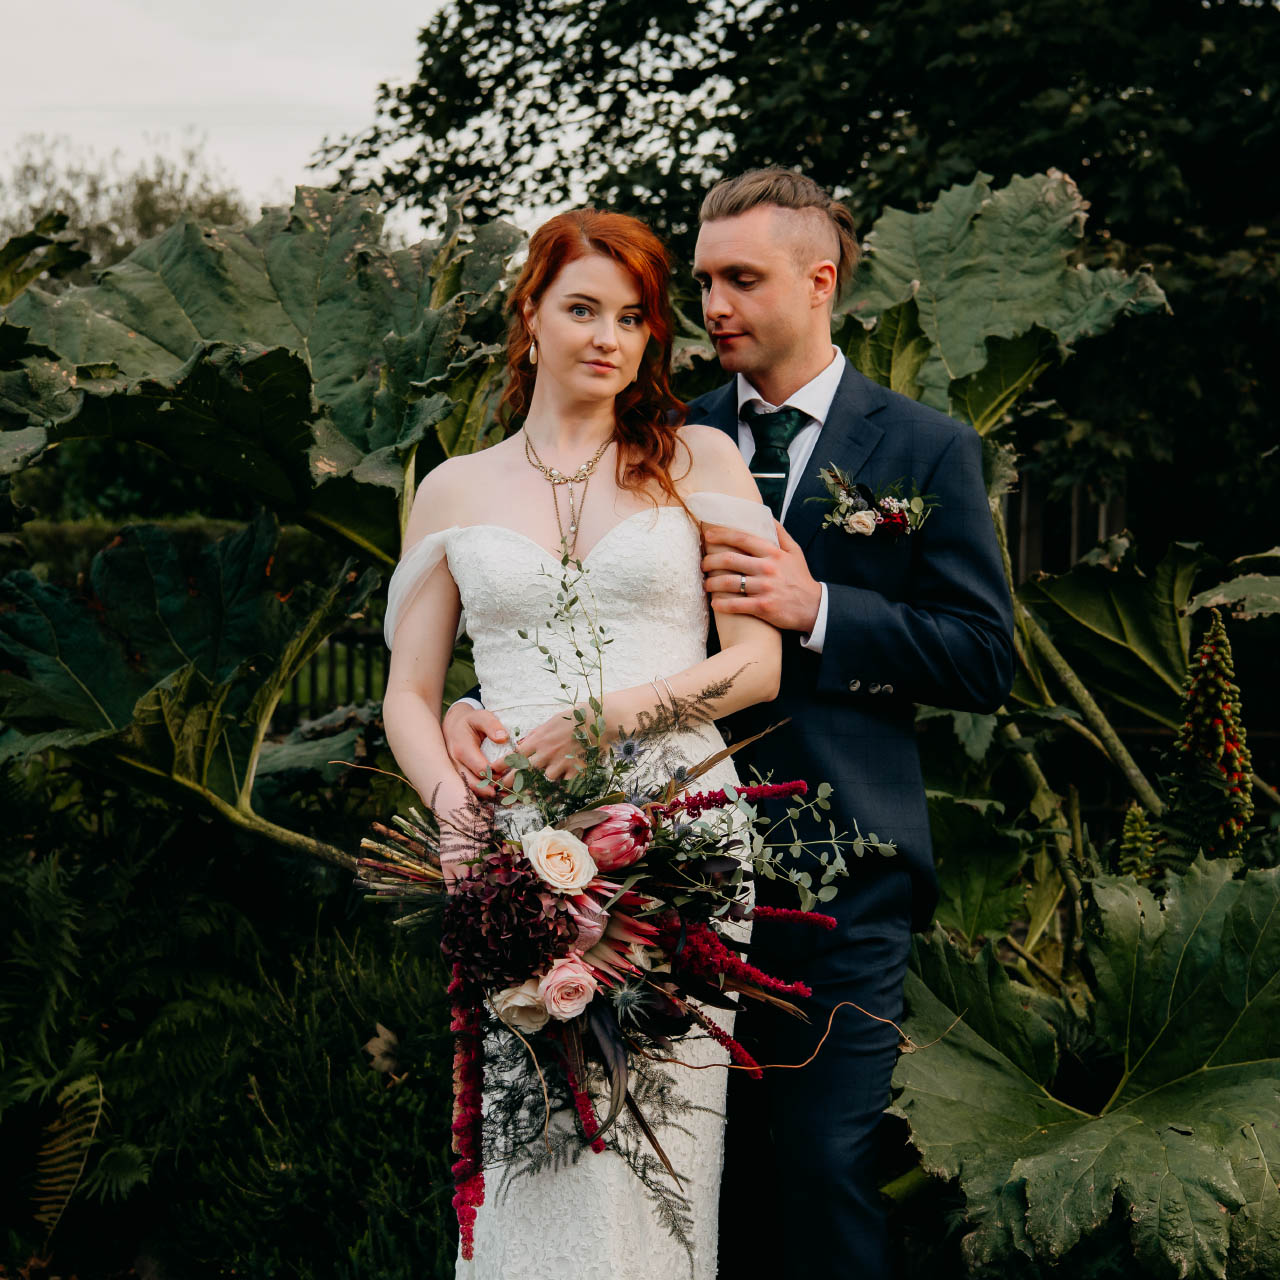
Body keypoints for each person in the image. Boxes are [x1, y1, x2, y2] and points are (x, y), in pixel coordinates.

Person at [446, 167, 1015, 1275]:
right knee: (694, 1168)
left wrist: (822, 611)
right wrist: (488, 703)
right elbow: (569, 599)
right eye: (702, 279)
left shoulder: (924, 448)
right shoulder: (664, 436)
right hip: (657, 867)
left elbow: (986, 656)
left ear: (819, 280)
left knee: (824, 1159)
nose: (712, 306)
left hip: (837, 872)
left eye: (741, 280)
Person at [381, 208, 782, 1280]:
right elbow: (409, 695)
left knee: (656, 1148)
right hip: (516, 847)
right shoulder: (453, 488)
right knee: (529, 1141)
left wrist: (617, 715)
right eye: (581, 309)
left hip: (677, 834)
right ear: (530, 315)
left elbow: (755, 664)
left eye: (634, 317)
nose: (608, 336)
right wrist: (455, 810)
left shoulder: (696, 460)